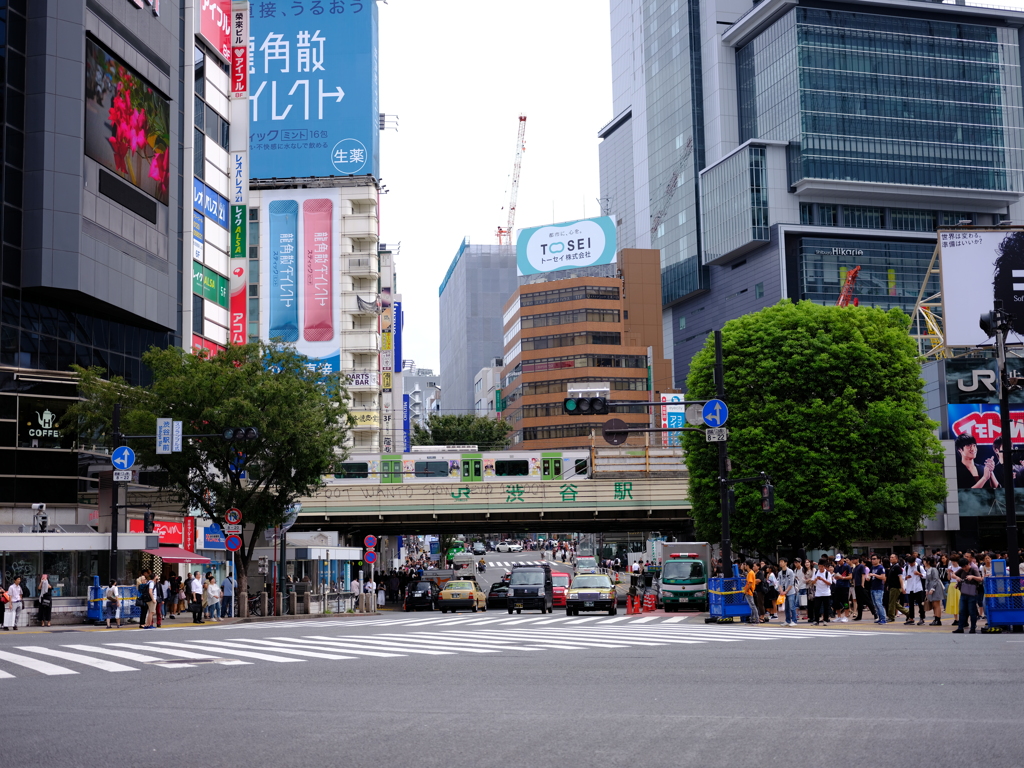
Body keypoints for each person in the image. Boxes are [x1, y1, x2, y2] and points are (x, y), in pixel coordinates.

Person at [952, 557, 982, 634]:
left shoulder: (973, 570)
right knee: (962, 611)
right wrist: (957, 578)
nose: (964, 568)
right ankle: (960, 628)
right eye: (962, 567)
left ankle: (973, 628)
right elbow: (953, 574)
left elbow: (980, 579)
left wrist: (972, 577)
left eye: (965, 566)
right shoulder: (961, 570)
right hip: (963, 593)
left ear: (968, 564)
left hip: (972, 593)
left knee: (972, 611)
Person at [903, 555, 927, 626]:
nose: (911, 564)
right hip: (910, 588)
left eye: (912, 563)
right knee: (911, 604)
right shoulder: (906, 567)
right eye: (909, 563)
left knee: (920, 604)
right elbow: (903, 577)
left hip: (918, 588)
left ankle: (922, 618)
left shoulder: (919, 567)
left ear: (914, 561)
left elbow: (925, 576)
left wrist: (919, 574)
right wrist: (906, 577)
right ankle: (911, 618)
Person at [885, 554, 909, 623]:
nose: (891, 558)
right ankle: (908, 613)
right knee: (894, 603)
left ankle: (891, 617)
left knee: (892, 603)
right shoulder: (892, 566)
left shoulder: (897, 567)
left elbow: (900, 578)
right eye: (890, 557)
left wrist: (902, 587)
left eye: (892, 557)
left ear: (896, 559)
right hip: (891, 587)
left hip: (895, 587)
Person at [811, 559, 834, 625]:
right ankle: (816, 621)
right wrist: (815, 579)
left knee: (826, 607)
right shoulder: (816, 572)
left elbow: (829, 583)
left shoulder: (827, 573)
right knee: (816, 607)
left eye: (821, 566)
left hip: (826, 593)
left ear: (824, 566)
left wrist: (822, 579)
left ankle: (825, 620)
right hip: (818, 593)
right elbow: (812, 582)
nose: (820, 568)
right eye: (819, 566)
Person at [923, 556, 945, 626]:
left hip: (935, 587)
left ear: (928, 562)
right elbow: (927, 580)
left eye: (924, 561)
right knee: (933, 604)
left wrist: (932, 588)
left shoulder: (933, 569)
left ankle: (938, 620)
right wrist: (926, 589)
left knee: (936, 604)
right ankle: (936, 619)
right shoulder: (928, 569)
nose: (923, 563)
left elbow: (936, 579)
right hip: (930, 587)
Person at [867, 554, 888, 624]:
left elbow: (883, 577)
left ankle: (883, 618)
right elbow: (870, 576)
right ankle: (879, 617)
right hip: (873, 587)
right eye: (872, 559)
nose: (872, 560)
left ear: (878, 560)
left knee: (879, 603)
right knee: (875, 604)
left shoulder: (880, 568)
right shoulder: (872, 568)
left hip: (879, 588)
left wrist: (874, 575)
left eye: (874, 559)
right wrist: (868, 578)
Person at [777, 557, 798, 627]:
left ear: (786, 563)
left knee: (792, 606)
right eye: (780, 562)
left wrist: (785, 591)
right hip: (783, 592)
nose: (780, 563)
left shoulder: (790, 571)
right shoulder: (780, 573)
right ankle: (787, 620)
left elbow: (791, 583)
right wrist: (781, 591)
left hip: (790, 592)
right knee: (786, 608)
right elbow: (779, 583)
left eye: (782, 561)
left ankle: (794, 620)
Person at [833, 554, 852, 622]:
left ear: (843, 559)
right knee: (836, 601)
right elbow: (835, 574)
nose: (838, 562)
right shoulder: (837, 567)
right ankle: (839, 616)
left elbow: (850, 576)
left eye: (839, 560)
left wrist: (842, 577)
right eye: (837, 561)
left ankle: (846, 616)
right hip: (838, 585)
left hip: (845, 586)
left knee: (845, 601)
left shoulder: (847, 566)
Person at [741, 560, 758, 625]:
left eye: (745, 565)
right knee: (752, 605)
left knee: (752, 606)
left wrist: (745, 590)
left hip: (749, 591)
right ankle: (753, 619)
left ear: (747, 565)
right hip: (749, 591)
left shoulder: (750, 573)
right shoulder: (751, 572)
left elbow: (750, 583)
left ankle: (756, 619)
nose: (744, 566)